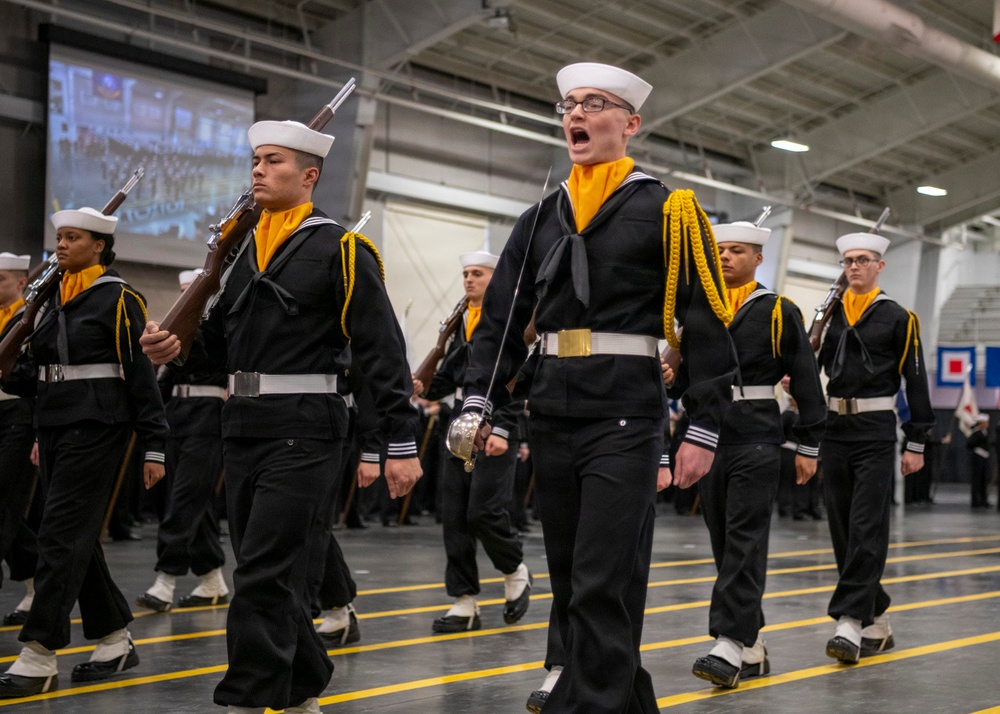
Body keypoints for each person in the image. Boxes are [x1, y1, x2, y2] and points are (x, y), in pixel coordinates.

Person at [455, 62, 736, 713]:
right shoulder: (541, 217)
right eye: (569, 105)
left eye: (595, 104)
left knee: (599, 581)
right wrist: (479, 400)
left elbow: (705, 321)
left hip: (626, 414)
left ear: (630, 124)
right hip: (552, 408)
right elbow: (500, 320)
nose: (576, 114)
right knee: (574, 578)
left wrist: (702, 424)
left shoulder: (669, 209)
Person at [140, 118, 421, 714]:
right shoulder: (240, 252)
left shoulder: (341, 249)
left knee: (264, 571)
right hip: (241, 424)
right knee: (267, 567)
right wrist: (176, 347)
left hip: (307, 425)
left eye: (274, 162)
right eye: (255, 162)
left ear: (309, 175)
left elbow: (382, 351)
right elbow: (216, 343)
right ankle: (301, 688)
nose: (259, 171)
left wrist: (398, 441)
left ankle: (246, 697)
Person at [0, 209, 168, 698]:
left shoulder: (118, 298)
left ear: (99, 245)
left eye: (73, 238)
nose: (62, 245)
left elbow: (140, 375)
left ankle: (39, 652)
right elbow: (38, 374)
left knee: (59, 535)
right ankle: (114, 637)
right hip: (53, 424)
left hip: (98, 425)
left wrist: (155, 443)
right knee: (74, 537)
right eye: (59, 237)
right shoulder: (51, 298)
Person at [679, 219, 825, 689]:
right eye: (719, 251)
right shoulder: (700, 310)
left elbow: (804, 377)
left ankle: (728, 642)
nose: (724, 257)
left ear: (758, 259)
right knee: (724, 541)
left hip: (758, 437)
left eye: (736, 251)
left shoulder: (779, 310)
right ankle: (753, 645)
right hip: (708, 437)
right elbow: (686, 371)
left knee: (744, 539)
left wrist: (808, 442)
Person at [818, 229, 934, 664]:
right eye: (848, 261)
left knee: (867, 524)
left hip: (875, 429)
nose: (854, 267)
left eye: (863, 260)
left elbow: (916, 381)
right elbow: (815, 366)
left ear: (880, 266)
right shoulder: (829, 315)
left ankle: (848, 621)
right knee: (843, 529)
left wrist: (917, 440)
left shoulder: (898, 317)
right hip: (834, 427)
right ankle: (876, 618)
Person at [419, 251, 531, 633]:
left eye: (478, 274)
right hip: (460, 424)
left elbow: (517, 380)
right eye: (465, 273)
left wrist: (502, 428)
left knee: (483, 511)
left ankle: (514, 569)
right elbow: (451, 378)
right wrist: (423, 383)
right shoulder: (464, 325)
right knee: (454, 516)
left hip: (496, 422)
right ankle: (464, 602)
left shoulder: (510, 322)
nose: (468, 279)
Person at [137, 269, 229, 613]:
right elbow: (164, 376)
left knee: (185, 498)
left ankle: (166, 579)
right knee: (196, 502)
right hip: (177, 414)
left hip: (209, 415)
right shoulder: (178, 329)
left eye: (192, 291)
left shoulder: (217, 328)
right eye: (182, 292)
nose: (186, 297)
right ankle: (212, 579)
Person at [0, 253, 38, 627]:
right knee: (8, 511)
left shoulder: (30, 318)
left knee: (4, 500)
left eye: (2, 280)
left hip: (18, 415)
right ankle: (34, 583)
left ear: (21, 282)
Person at [966, 414, 990, 508]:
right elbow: (969, 445)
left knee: (984, 479)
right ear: (981, 423)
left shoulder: (984, 432)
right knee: (976, 480)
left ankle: (984, 500)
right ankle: (976, 501)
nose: (987, 424)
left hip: (984, 458)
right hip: (978, 458)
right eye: (986, 422)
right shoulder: (976, 433)